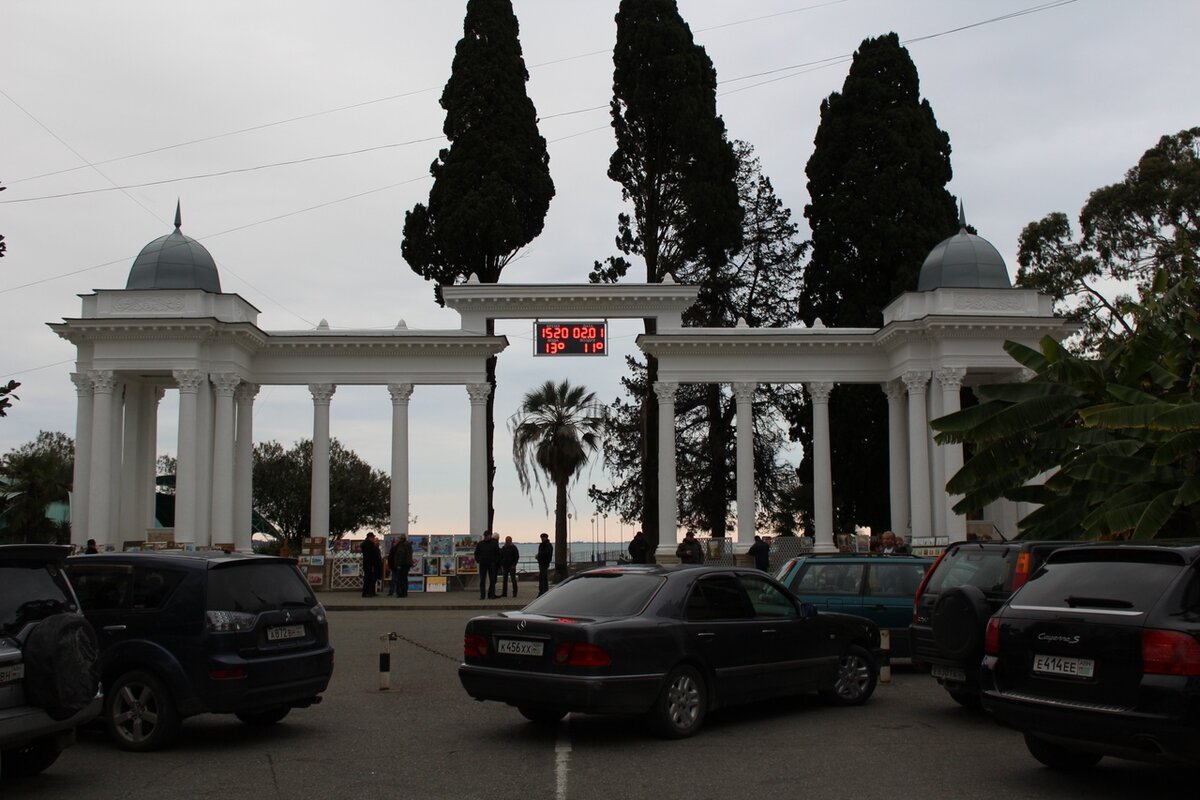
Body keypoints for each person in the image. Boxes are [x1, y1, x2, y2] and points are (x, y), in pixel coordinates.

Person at [474, 530, 500, 599]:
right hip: (483, 564)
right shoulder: (480, 544)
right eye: (486, 536)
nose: (487, 537)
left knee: (492, 580)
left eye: (488, 536)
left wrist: (495, 561)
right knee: (482, 581)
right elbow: (476, 553)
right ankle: (482, 595)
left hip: (491, 564)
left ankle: (491, 595)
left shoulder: (494, 544)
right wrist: (478, 560)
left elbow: (498, 554)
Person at [360, 532, 383, 597]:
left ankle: (370, 592)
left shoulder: (366, 544)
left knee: (370, 579)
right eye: (373, 537)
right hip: (370, 565)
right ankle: (367, 593)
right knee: (369, 579)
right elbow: (371, 556)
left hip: (368, 564)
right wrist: (373, 564)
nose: (373, 539)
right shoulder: (369, 545)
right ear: (370, 537)